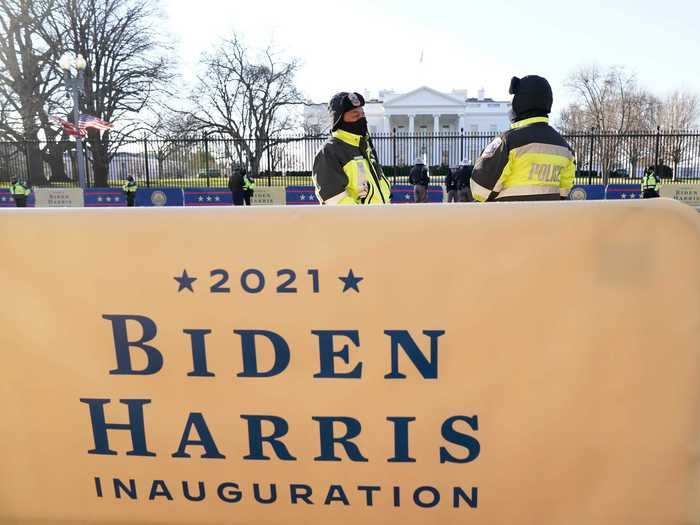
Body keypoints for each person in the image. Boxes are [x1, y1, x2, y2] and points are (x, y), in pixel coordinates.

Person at [471, 75, 576, 202]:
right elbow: (564, 192)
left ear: (519, 102)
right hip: (547, 218)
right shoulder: (565, 147)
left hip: (508, 218)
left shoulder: (508, 141)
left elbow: (479, 190)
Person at [312, 91, 391, 205]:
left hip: (381, 219)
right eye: (355, 114)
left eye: (362, 114)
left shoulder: (366, 147)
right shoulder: (329, 151)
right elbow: (335, 200)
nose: (361, 118)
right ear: (339, 120)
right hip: (359, 221)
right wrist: (366, 220)